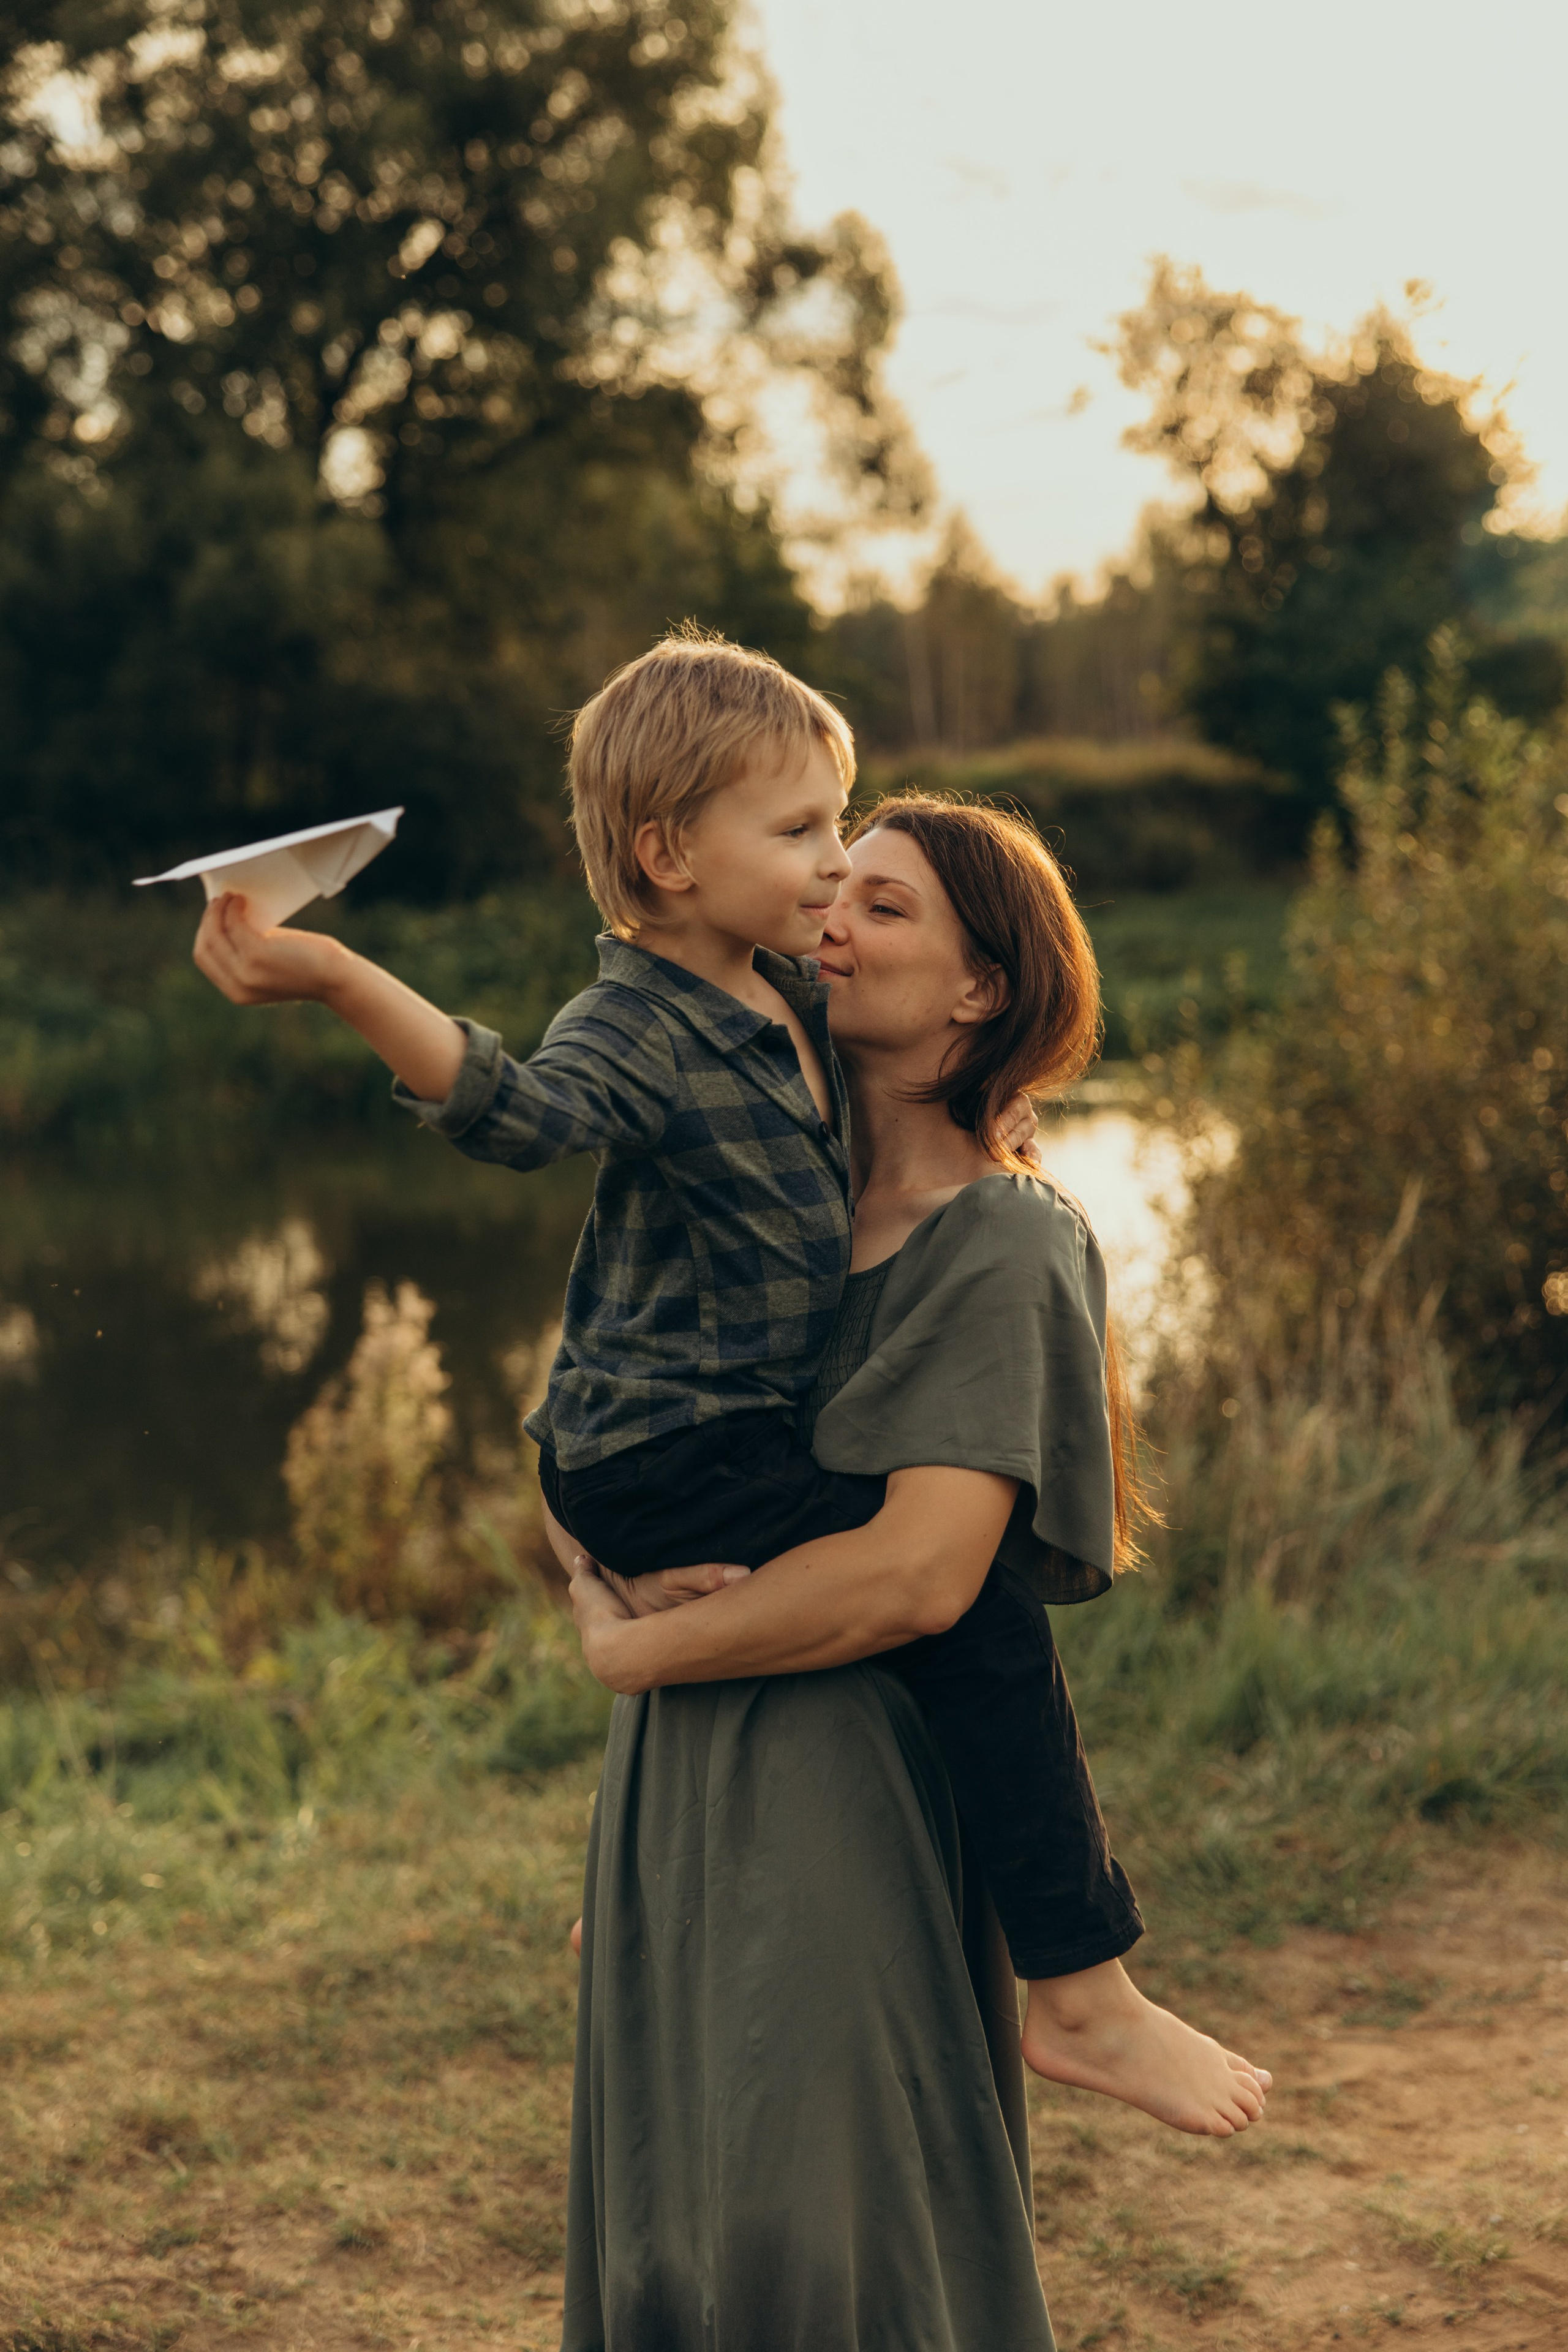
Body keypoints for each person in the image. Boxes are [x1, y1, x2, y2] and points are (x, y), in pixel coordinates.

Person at [557, 793, 1270, 2346]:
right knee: (668, 2229)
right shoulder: (742, 1195)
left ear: (980, 990)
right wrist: (581, 1555)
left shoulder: (1003, 1241)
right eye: (829, 890)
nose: (829, 923)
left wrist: (622, 1648)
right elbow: (582, 1425)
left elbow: (919, 1584)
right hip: (678, 1784)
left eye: (884, 908)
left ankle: (1087, 1990)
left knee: (822, 2240)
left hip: (846, 1791)